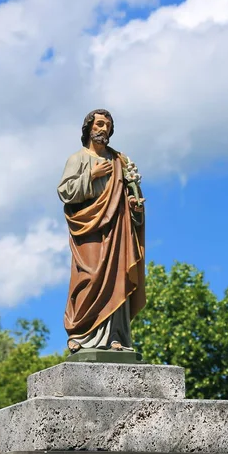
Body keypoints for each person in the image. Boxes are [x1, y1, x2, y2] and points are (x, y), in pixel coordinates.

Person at [57, 109, 145, 354]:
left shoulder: (120, 161)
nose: (103, 128)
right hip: (89, 229)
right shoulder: (78, 158)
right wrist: (90, 176)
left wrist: (135, 207)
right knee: (90, 277)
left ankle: (116, 336)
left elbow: (130, 194)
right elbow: (65, 192)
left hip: (117, 228)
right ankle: (80, 333)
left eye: (107, 125)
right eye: (99, 124)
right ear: (89, 128)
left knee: (117, 278)